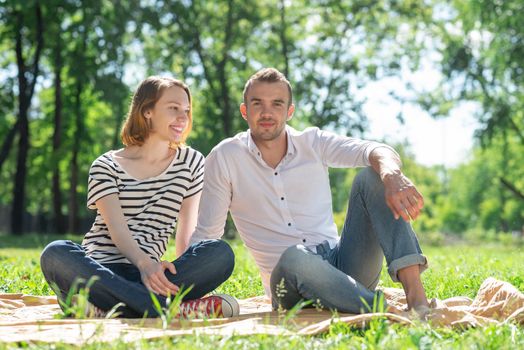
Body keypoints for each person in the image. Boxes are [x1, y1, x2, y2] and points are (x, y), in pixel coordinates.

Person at [189, 68, 429, 315]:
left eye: (277, 104)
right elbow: (207, 235)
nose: (267, 112)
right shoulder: (225, 157)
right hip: (289, 283)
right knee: (295, 257)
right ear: (244, 111)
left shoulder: (313, 142)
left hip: (343, 269)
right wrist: (185, 289)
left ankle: (416, 299)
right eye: (257, 103)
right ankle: (375, 306)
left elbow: (375, 150)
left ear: (290, 111)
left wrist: (391, 174)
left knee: (373, 175)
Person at [40, 76, 238, 318]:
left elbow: (186, 231)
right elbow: (118, 231)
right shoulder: (106, 165)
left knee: (220, 253)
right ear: (147, 111)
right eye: (173, 108)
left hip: (153, 277)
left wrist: (184, 270)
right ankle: (169, 310)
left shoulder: (191, 162)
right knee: (56, 253)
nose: (183, 117)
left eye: (186, 110)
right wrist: (144, 264)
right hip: (100, 270)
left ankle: (109, 308)